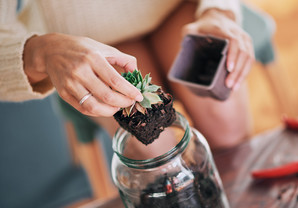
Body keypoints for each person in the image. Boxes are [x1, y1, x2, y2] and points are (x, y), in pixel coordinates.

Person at [0, 0, 254, 150]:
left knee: (227, 127)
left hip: (179, 10)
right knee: (153, 152)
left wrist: (219, 10)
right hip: (89, 40)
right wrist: (42, 52)